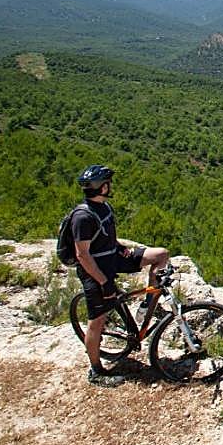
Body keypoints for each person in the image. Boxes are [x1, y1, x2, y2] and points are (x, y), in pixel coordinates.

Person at [70, 164, 170, 387]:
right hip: (95, 272)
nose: (111, 186)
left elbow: (105, 236)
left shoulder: (104, 208)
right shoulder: (82, 217)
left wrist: (120, 246)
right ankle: (96, 371)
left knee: (160, 255)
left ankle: (146, 307)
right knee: (97, 322)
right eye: (108, 183)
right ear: (103, 187)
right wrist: (103, 282)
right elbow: (82, 255)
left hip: (113, 259)